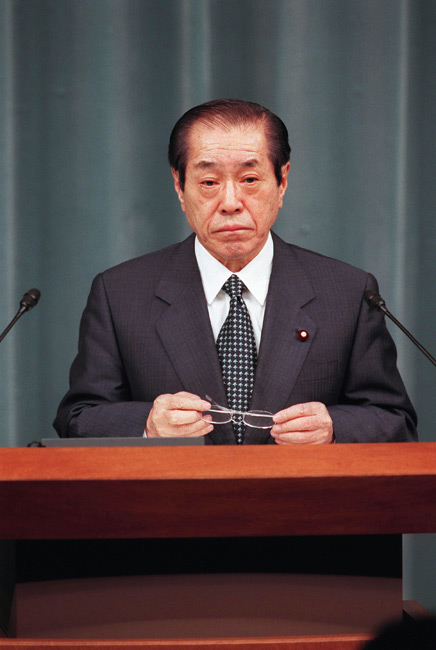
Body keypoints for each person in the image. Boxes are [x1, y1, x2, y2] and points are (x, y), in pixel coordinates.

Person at [54, 99, 417, 444]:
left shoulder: (348, 293)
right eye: (209, 183)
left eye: (250, 180)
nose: (230, 203)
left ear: (282, 181)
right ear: (180, 187)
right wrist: (147, 425)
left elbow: (395, 420)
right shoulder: (120, 294)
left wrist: (334, 429)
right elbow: (78, 418)